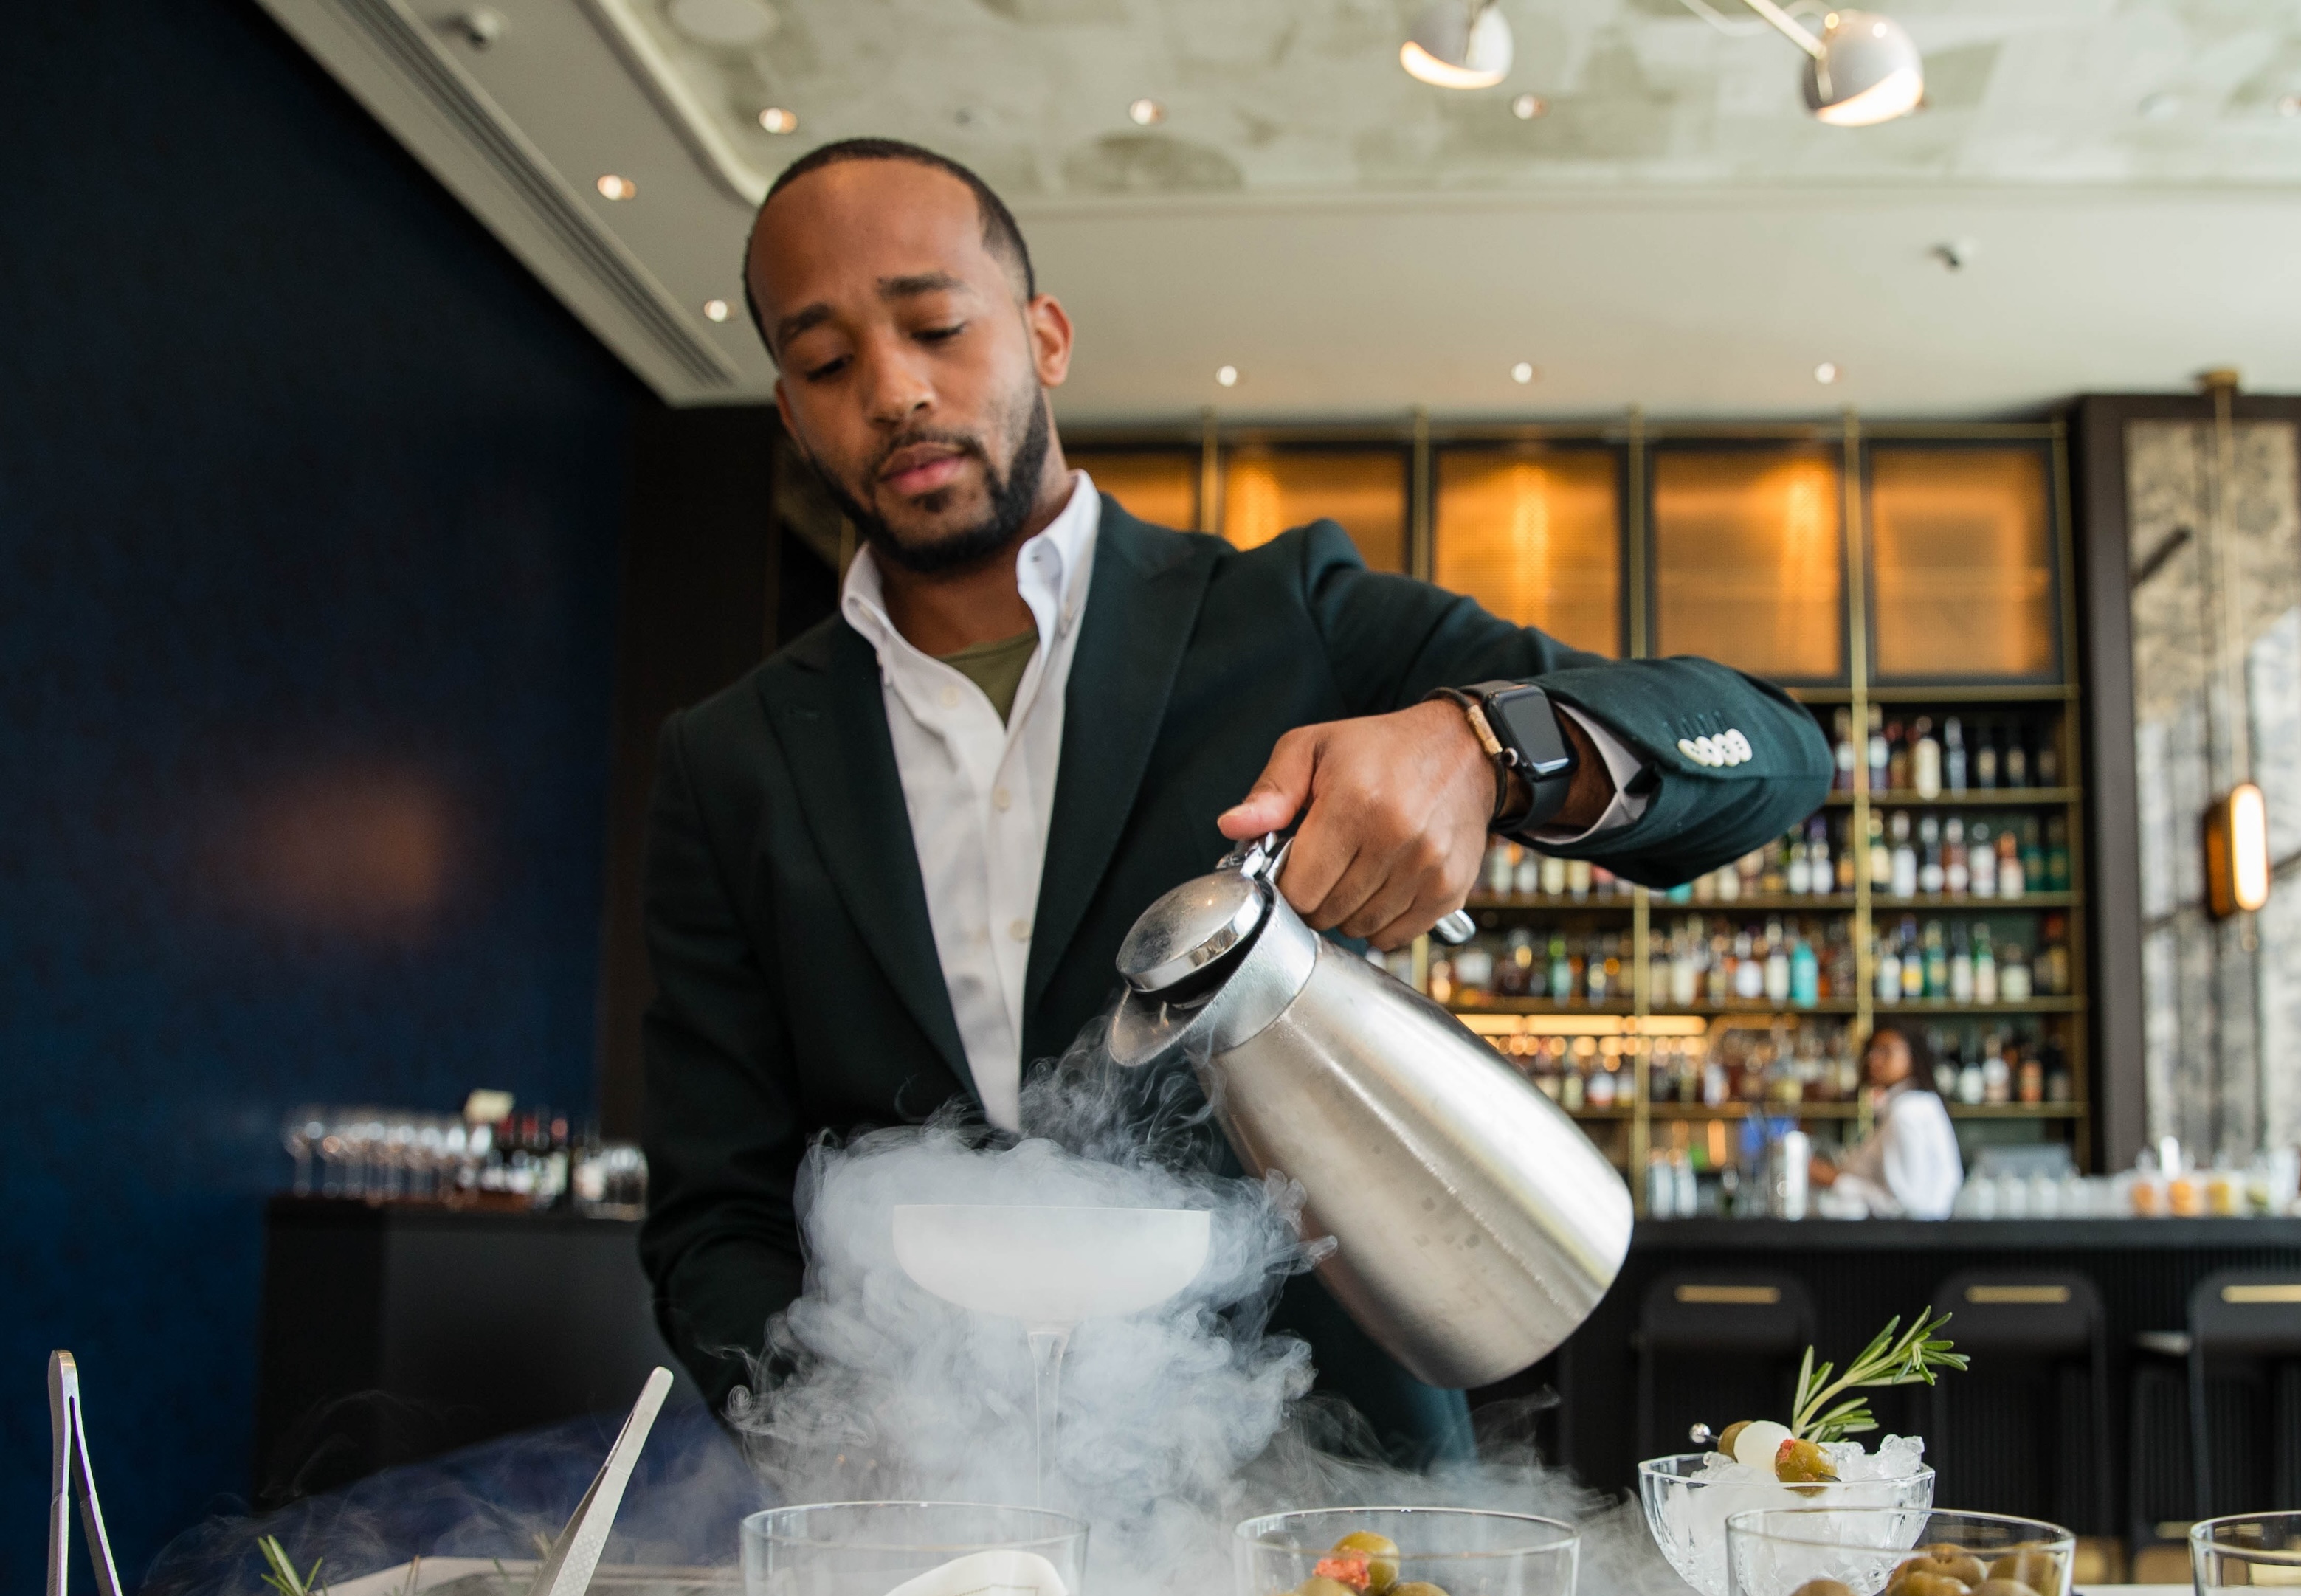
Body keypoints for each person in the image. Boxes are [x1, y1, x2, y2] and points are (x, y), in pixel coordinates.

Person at [638, 138, 1828, 1465]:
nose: (895, 389)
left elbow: (1772, 751)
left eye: (934, 324)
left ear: (1044, 336)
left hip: (1316, 1477)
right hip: (924, 1503)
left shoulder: (1284, 619)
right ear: (792, 413)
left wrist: (1486, 744)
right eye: (826, 363)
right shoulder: (731, 757)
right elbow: (714, 1213)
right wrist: (839, 1432)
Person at [1813, 1024, 1962, 1220]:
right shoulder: (1918, 1104)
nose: (1873, 1059)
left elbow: (1907, 1204)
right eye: (1873, 1051)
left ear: (1913, 1055)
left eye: (1886, 1051)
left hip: (1912, 1241)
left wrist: (1834, 1180)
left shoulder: (1907, 1112)